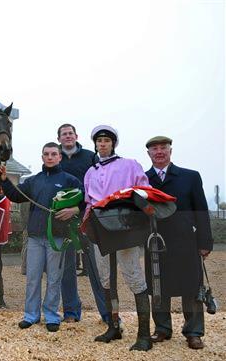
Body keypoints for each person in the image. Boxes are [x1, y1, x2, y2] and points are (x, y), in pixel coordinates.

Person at [0, 142, 82, 332]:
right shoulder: (33, 180)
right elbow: (15, 195)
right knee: (33, 278)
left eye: (54, 154)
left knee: (54, 278)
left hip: (57, 237)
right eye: (46, 154)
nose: (50, 157)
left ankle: (52, 315)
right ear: (42, 157)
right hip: (35, 237)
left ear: (60, 157)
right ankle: (31, 315)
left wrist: (74, 209)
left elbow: (84, 199)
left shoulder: (69, 180)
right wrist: (4, 179)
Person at [83, 125, 152, 351]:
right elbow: (88, 203)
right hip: (100, 231)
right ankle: (114, 326)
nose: (102, 144)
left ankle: (143, 334)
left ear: (113, 144)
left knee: (133, 275)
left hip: (124, 228)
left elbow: (143, 191)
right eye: (99, 141)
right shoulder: (90, 172)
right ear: (95, 144)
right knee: (106, 278)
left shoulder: (129, 165)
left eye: (107, 141)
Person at [144, 136, 213, 350]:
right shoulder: (142, 180)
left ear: (170, 151)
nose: (159, 152)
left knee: (191, 287)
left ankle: (193, 332)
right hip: (155, 243)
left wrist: (205, 241)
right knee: (158, 286)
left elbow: (201, 209)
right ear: (149, 154)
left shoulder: (190, 177)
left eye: (163, 148)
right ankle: (162, 328)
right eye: (154, 149)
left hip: (186, 241)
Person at [57, 123, 109, 324]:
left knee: (97, 268)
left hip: (89, 217)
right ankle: (71, 311)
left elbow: (100, 183)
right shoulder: (56, 158)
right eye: (64, 134)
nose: (68, 136)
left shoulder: (90, 156)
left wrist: (79, 208)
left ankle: (107, 313)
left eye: (70, 133)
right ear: (60, 138)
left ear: (76, 136)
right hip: (64, 221)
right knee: (67, 268)